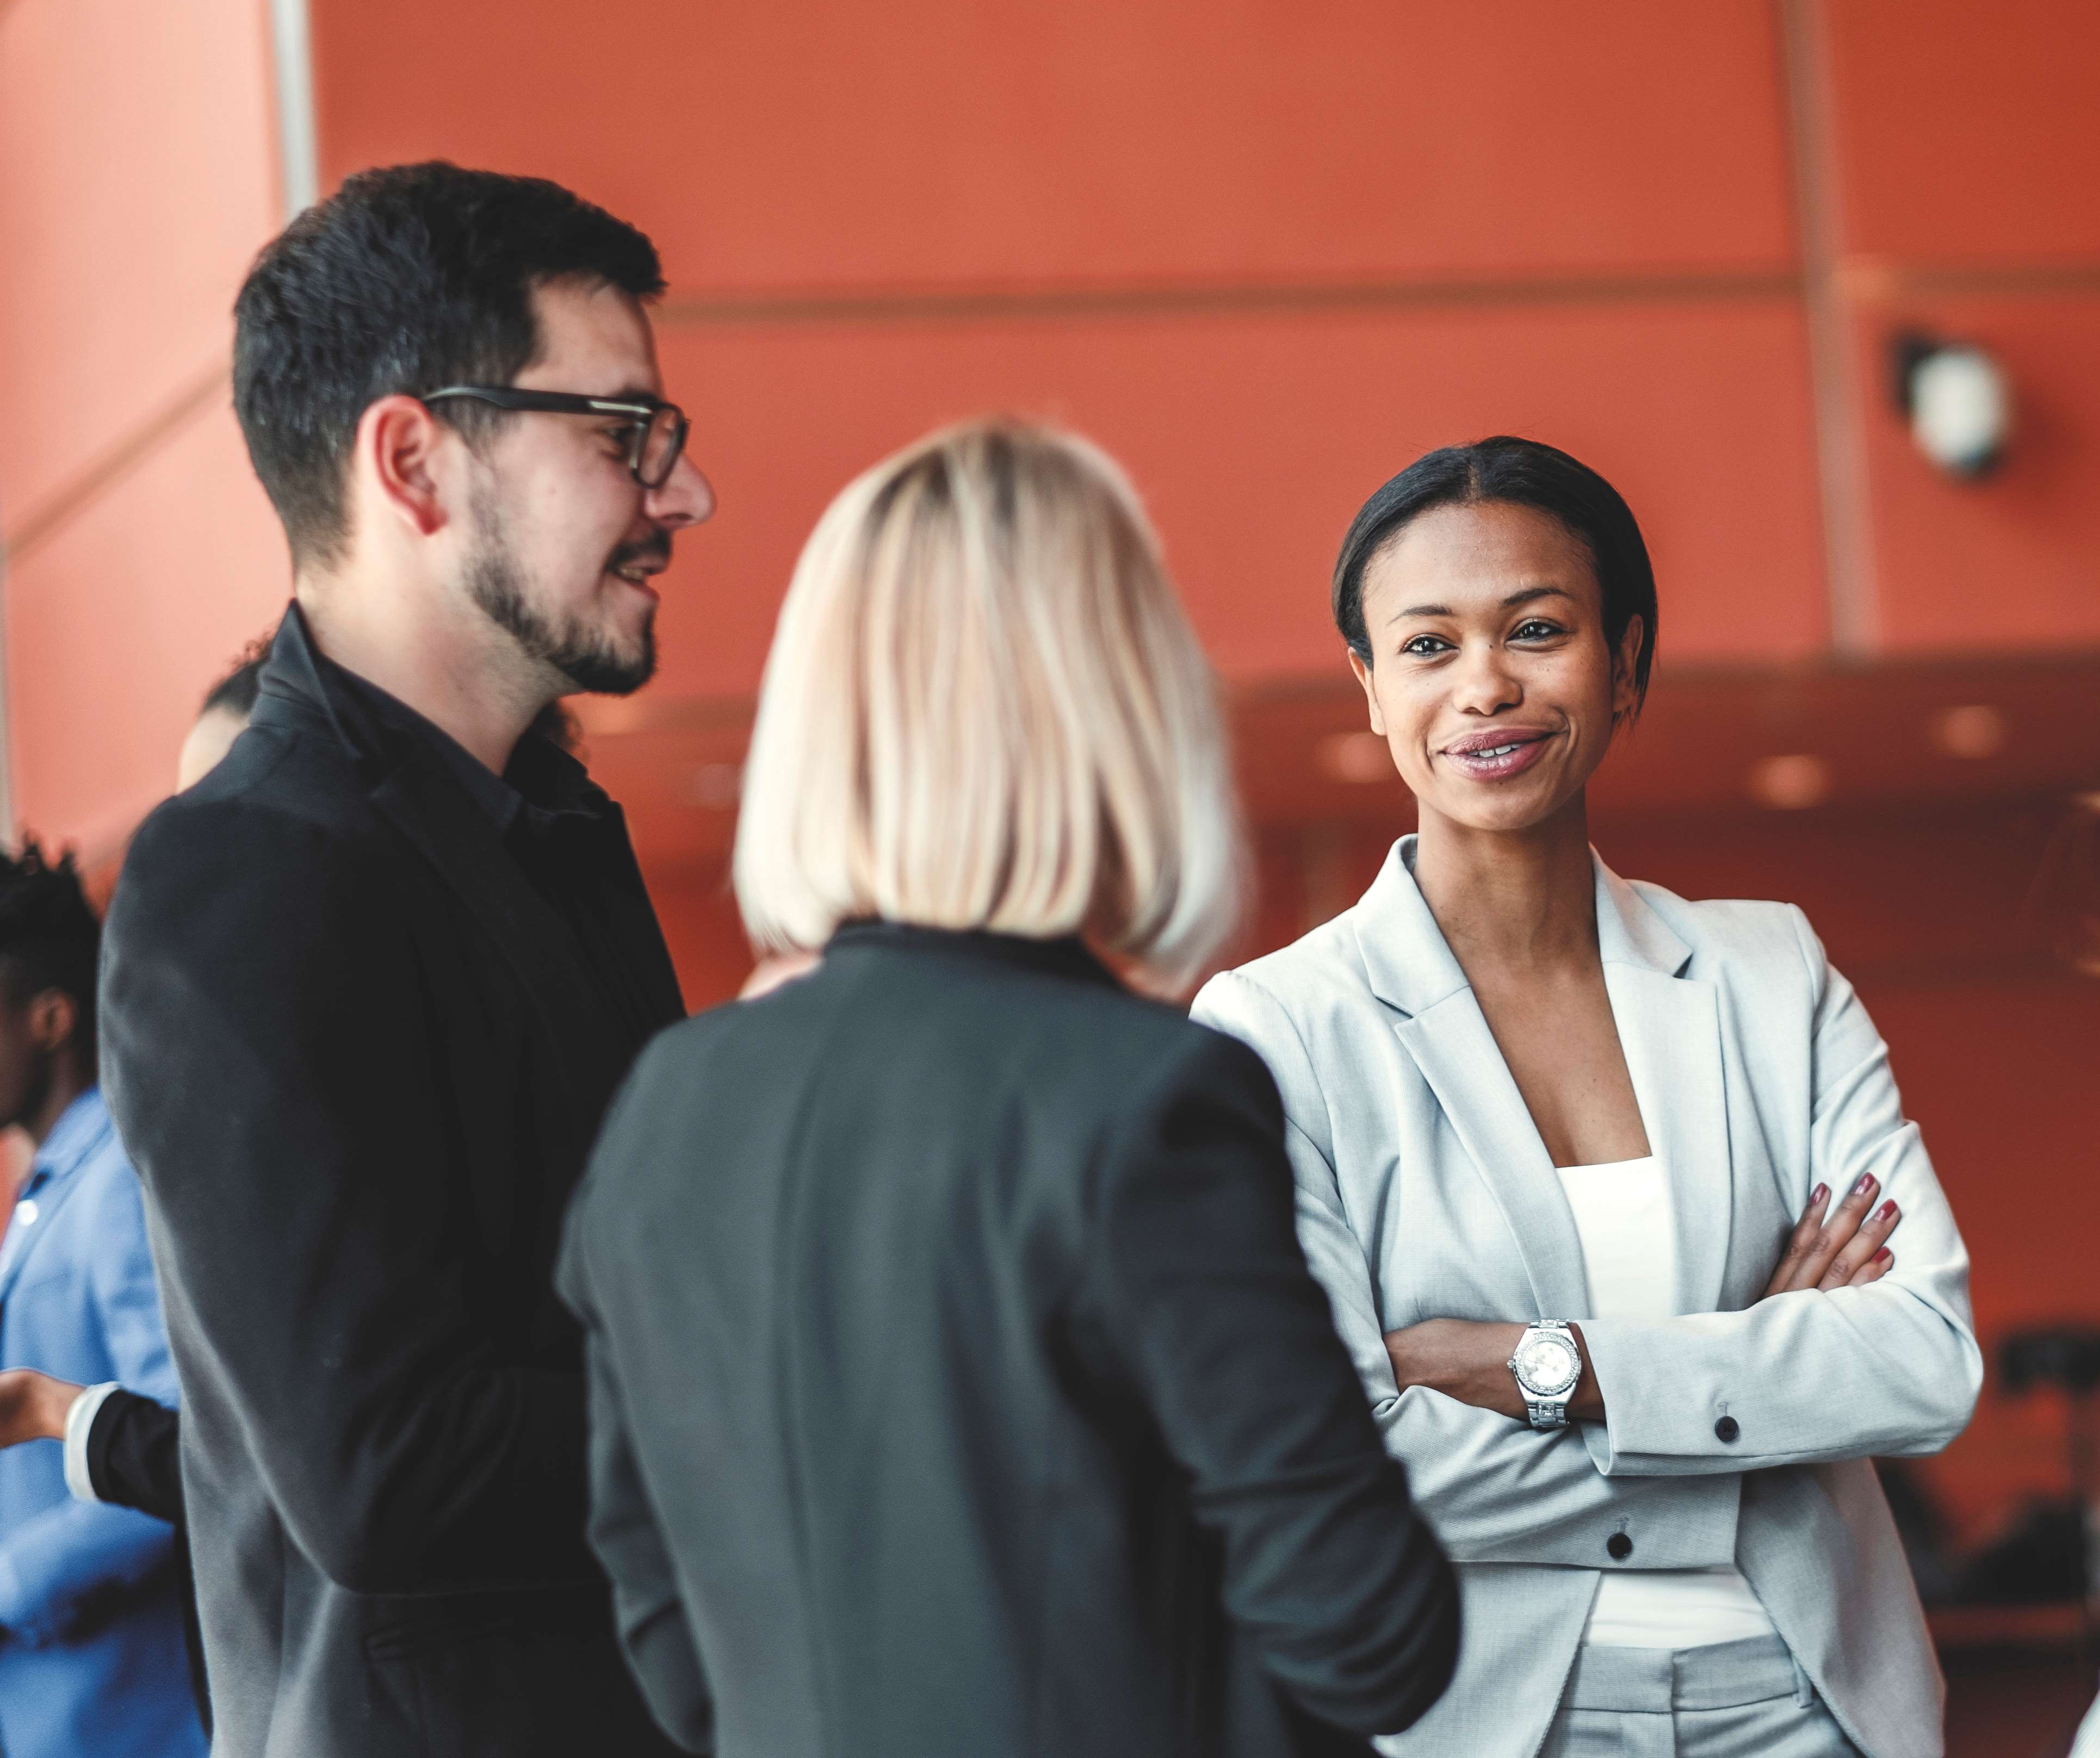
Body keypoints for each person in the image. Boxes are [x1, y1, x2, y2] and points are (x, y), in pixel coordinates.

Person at [559, 421, 1459, 1755]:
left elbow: (665, 1628)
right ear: (1117, 702)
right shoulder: (1146, 1100)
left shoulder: (666, 1107)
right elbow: (1371, 1631)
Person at [1192, 436, 1981, 1758]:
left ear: (1624, 665)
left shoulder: (1766, 974)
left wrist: (1536, 1366)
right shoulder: (1278, 1031)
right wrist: (1756, 1394)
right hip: (1489, 1721)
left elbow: (1922, 1360)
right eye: (1429, 646)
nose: (1485, 686)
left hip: (1816, 1705)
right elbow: (1336, 1466)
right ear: (1370, 690)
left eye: (1538, 629)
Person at [97, 160, 716, 1758]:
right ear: (413, 460)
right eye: (620, 432)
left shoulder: (563, 822)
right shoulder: (241, 870)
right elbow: (389, 1470)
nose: (680, 495)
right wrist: (800, 1360)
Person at [0, 844, 202, 1756]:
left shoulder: (118, 1176)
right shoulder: (48, 1186)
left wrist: (8, 1580)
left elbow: (181, 1444)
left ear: (49, 1018)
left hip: (125, 1714)